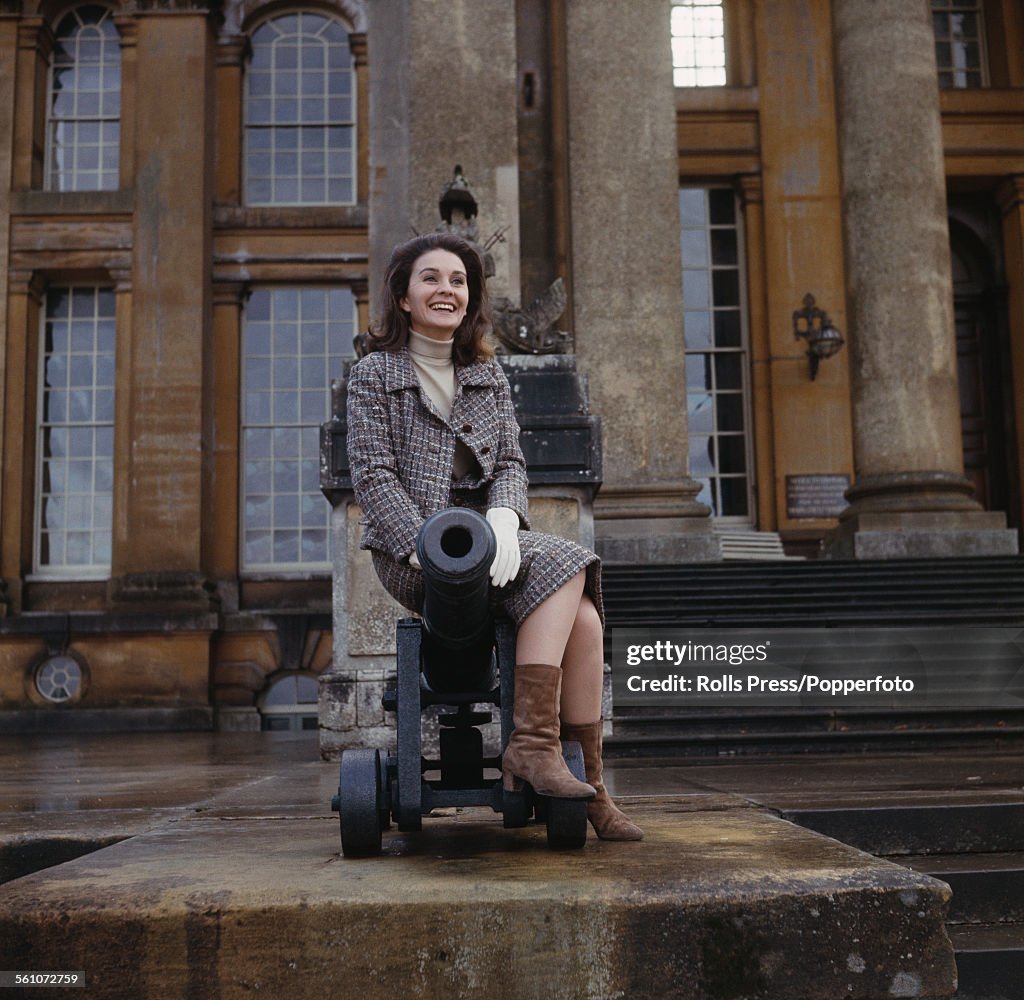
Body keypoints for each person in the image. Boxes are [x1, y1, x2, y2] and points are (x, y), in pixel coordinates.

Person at [346, 232, 642, 841]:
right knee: (575, 561)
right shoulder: (373, 374)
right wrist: (421, 544)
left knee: (585, 619)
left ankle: (584, 781)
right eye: (431, 278)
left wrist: (506, 519)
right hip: (414, 554)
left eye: (458, 281)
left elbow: (508, 464)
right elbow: (371, 473)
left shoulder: (486, 373)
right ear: (403, 296)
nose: (446, 290)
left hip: (492, 545)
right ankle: (535, 748)